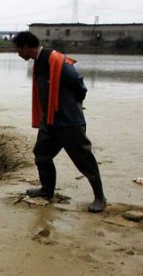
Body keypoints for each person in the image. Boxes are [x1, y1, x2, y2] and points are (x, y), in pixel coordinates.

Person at [12, 31, 107, 212]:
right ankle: (47, 190)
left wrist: (71, 105)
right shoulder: (39, 63)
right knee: (42, 154)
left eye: (17, 49)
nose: (17, 53)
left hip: (68, 121)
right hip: (50, 120)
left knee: (84, 159)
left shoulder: (56, 61)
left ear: (26, 47)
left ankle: (100, 198)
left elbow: (79, 86)